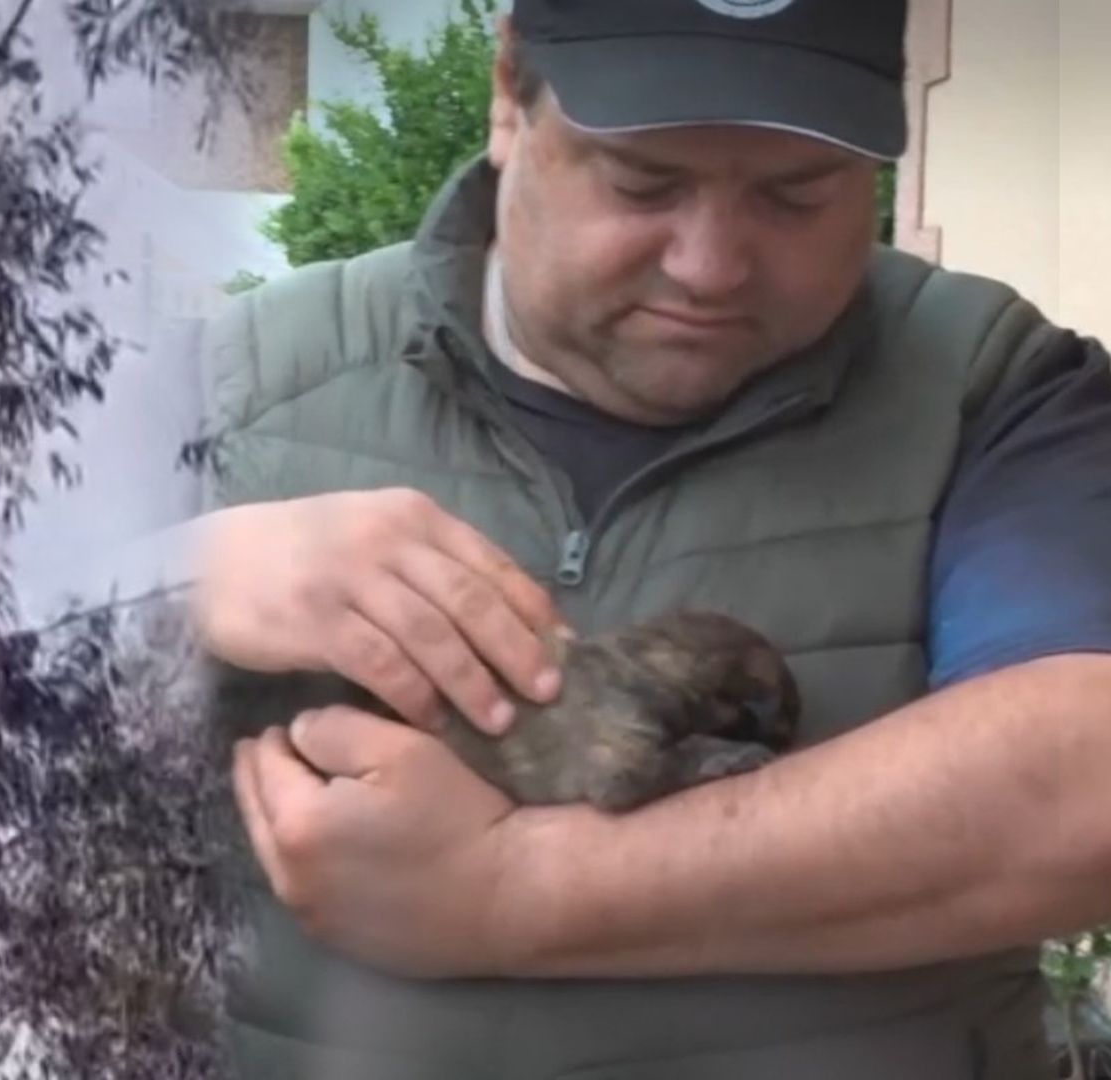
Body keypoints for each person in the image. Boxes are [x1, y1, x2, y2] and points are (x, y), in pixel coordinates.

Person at [69, 0, 1111, 1076]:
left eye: (796, 194)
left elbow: (1089, 777)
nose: (711, 265)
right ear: (511, 96)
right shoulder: (233, 385)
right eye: (643, 183)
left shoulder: (999, 393)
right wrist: (156, 583)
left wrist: (517, 889)